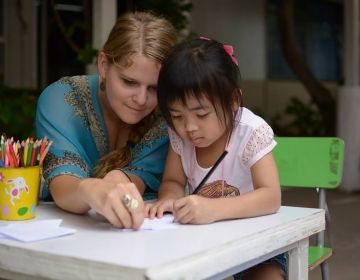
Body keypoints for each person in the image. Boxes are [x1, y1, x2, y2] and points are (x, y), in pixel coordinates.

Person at [145, 38, 286, 280]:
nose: (189, 127)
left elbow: (271, 196)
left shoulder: (250, 132)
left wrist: (213, 209)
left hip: (259, 245)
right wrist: (169, 199)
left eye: (201, 114)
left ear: (232, 101)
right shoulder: (181, 138)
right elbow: (172, 181)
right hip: (204, 243)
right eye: (177, 115)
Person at [35, 11, 177, 230]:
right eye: (129, 82)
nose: (141, 99)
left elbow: (137, 178)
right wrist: (89, 190)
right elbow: (62, 183)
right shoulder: (61, 99)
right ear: (103, 65)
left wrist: (117, 183)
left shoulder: (169, 115)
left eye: (155, 88)